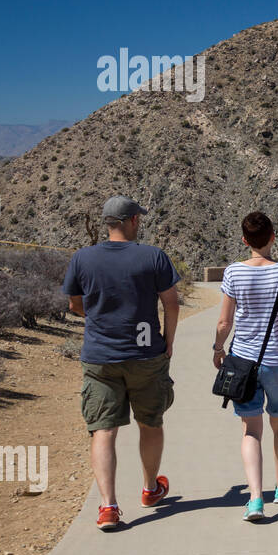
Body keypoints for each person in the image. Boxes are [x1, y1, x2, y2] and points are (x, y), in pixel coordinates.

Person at [62, 196, 180, 531]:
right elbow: (171, 304)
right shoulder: (153, 257)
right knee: (151, 422)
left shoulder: (83, 258)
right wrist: (168, 341)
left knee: (103, 429)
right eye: (137, 219)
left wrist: (100, 318)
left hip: (101, 357)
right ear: (131, 221)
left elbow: (75, 305)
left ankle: (108, 506)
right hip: (146, 355)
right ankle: (150, 487)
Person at [213, 211, 278, 522]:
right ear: (273, 236)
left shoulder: (232, 274)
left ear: (245, 241)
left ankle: (256, 500)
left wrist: (218, 349)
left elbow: (224, 321)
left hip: (243, 362)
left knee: (251, 430)